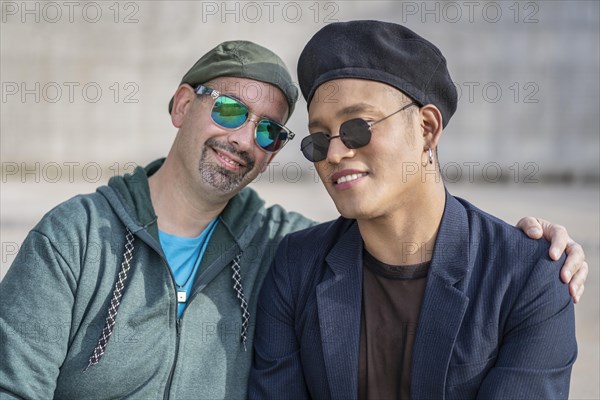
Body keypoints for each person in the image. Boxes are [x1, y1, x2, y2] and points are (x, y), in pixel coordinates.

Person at [0, 39, 586, 400]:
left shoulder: (277, 245)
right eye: (228, 107)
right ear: (182, 106)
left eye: (268, 132)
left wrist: (538, 252)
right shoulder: (74, 239)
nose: (241, 138)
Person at [248, 21, 581, 399]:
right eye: (320, 139)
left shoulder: (528, 275)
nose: (336, 153)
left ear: (427, 128)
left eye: (358, 127)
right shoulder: (295, 267)